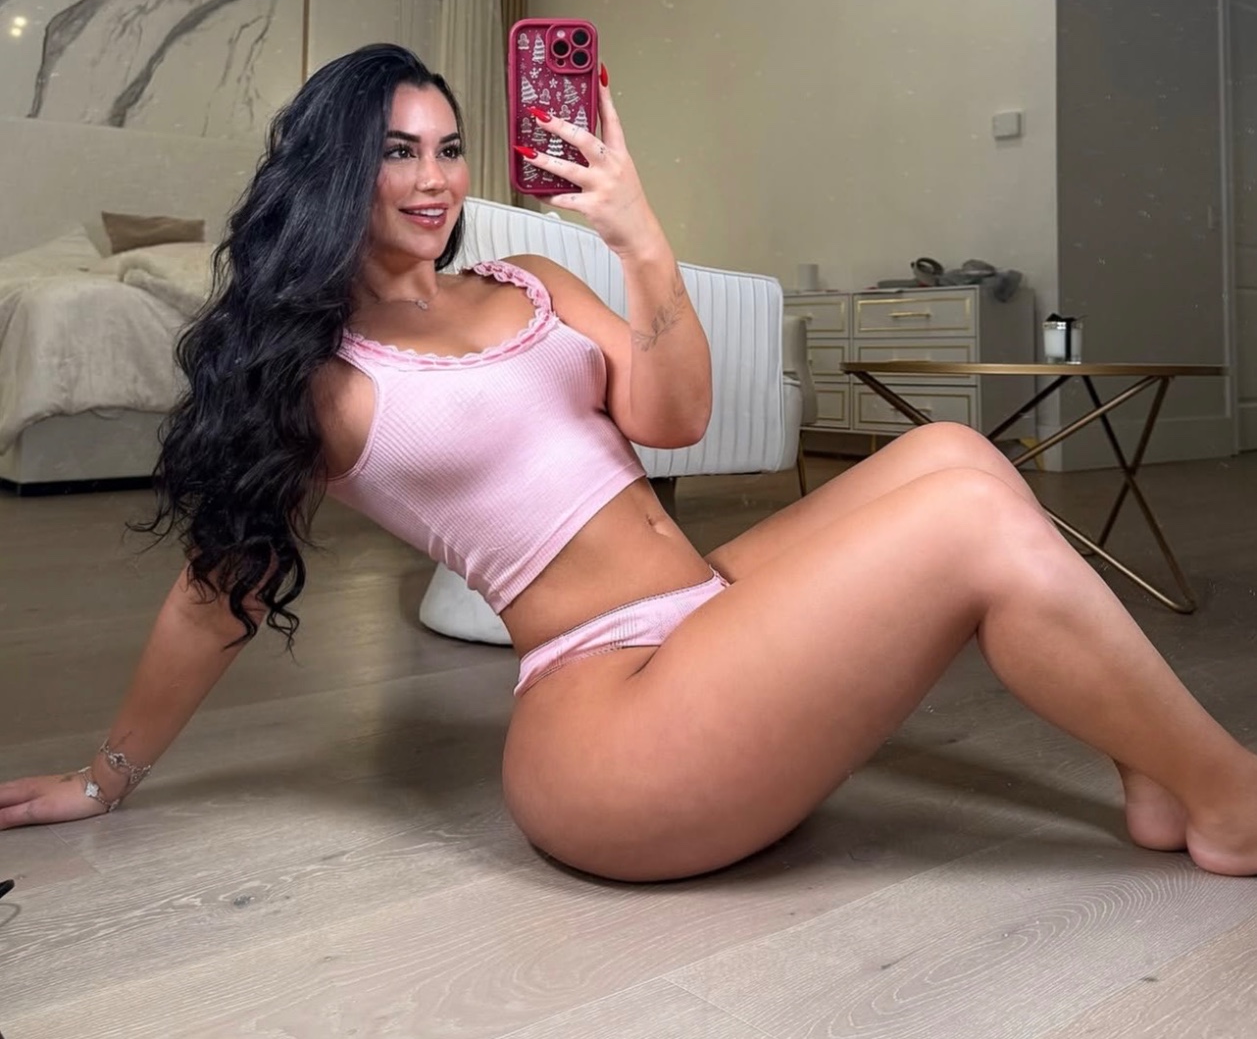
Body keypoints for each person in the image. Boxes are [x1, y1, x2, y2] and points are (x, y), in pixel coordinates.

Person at [2, 43, 1255, 882]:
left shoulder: (527, 280)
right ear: (336, 171)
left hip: (705, 622)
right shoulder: (323, 380)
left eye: (448, 147)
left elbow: (675, 416)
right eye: (397, 151)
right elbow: (211, 596)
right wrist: (105, 778)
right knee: (969, 526)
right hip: (608, 727)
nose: (435, 180)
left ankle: (1155, 774)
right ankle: (1232, 798)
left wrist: (638, 237)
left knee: (954, 454)